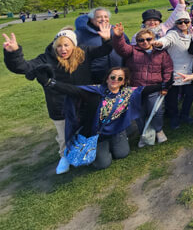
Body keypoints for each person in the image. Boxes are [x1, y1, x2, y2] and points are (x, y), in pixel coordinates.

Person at [3, 25, 113, 174]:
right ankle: (64, 156)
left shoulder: (84, 52)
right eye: (59, 46)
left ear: (73, 45)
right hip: (59, 105)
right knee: (64, 135)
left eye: (66, 45)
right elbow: (24, 67)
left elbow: (105, 50)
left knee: (85, 130)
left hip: (84, 103)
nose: (63, 49)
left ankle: (85, 151)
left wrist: (107, 39)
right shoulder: (46, 58)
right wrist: (14, 53)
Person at [33, 66, 165, 169]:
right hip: (98, 134)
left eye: (120, 78)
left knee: (122, 154)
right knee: (103, 164)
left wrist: (166, 84)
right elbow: (71, 90)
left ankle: (113, 144)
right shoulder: (94, 92)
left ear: (123, 82)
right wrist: (49, 83)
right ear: (107, 78)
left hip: (116, 131)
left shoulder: (127, 93)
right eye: (112, 77)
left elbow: (146, 89)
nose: (115, 80)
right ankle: (99, 149)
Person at [111, 23, 173, 145]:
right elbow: (121, 48)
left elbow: (168, 69)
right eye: (141, 40)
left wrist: (166, 86)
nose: (145, 42)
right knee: (139, 114)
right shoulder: (132, 51)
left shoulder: (161, 53)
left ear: (153, 40)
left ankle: (159, 130)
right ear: (137, 42)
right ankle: (144, 133)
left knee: (156, 110)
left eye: (148, 39)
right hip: (136, 88)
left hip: (154, 87)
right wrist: (118, 37)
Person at [152, 11, 193, 128]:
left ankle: (185, 114)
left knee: (189, 95)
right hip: (174, 71)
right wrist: (159, 43)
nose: (183, 24)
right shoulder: (173, 34)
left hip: (189, 71)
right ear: (176, 23)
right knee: (172, 98)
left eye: (186, 21)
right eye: (180, 22)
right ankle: (174, 117)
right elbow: (166, 40)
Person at [75, 7, 128, 83]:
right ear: (91, 19)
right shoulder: (80, 34)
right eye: (99, 17)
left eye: (106, 17)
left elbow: (126, 50)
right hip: (93, 77)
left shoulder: (115, 31)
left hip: (116, 76)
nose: (103, 19)